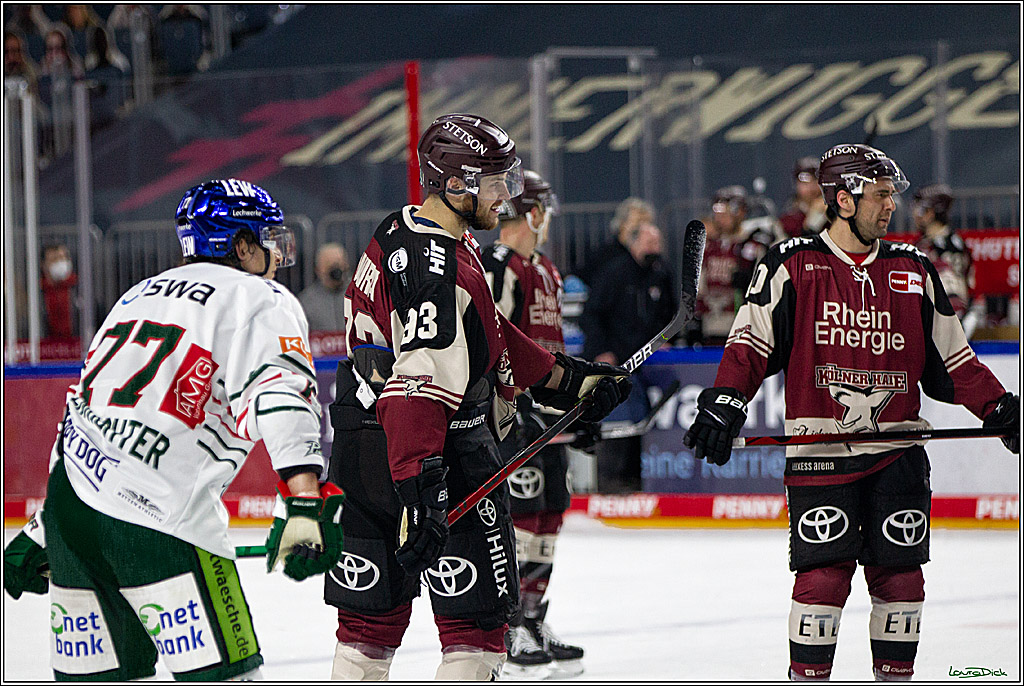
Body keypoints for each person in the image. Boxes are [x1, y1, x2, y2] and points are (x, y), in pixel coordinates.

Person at [683, 144, 1019, 682]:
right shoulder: (791, 263)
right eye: (881, 195)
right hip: (820, 454)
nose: (892, 206)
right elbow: (747, 346)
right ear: (844, 199)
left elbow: (954, 361)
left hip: (898, 455)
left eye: (892, 195)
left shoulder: (915, 268)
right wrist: (724, 402)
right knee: (822, 579)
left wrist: (1000, 406)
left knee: (902, 579)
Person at [324, 113, 631, 680]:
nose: (506, 195)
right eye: (495, 181)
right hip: (439, 459)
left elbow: (485, 332)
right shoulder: (440, 269)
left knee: (368, 627)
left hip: (365, 454)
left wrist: (564, 378)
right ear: (456, 182)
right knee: (478, 629)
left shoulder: (401, 229)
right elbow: (418, 381)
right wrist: (420, 484)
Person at [2, 179, 345, 680]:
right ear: (240, 245)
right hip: (160, 518)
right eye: (265, 238)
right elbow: (279, 394)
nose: (275, 253)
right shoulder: (259, 297)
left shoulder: (133, 296)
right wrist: (304, 499)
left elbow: (84, 408)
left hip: (73, 509)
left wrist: (45, 524)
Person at [481, 170, 585, 678]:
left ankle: (536, 618)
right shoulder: (499, 265)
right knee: (518, 521)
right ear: (536, 213)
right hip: (515, 419)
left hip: (549, 417)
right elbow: (492, 340)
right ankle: (510, 624)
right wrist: (508, 403)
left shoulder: (546, 269)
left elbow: (553, 345)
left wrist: (574, 404)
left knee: (549, 517)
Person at [581, 221, 677, 492]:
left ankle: (636, 480)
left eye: (657, 244)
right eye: (649, 243)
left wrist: (666, 339)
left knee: (643, 418)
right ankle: (611, 480)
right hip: (615, 360)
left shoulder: (662, 273)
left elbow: (672, 315)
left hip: (645, 360)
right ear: (634, 244)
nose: (654, 249)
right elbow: (591, 314)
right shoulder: (614, 273)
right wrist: (602, 351)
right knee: (619, 416)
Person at [694, 185, 775, 345]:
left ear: (741, 212)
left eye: (727, 211)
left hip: (743, 328)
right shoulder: (709, 247)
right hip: (711, 327)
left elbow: (766, 289)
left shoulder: (754, 246)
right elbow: (700, 288)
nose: (721, 217)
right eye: (718, 211)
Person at [912, 184, 978, 335]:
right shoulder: (922, 242)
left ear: (933, 212)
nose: (916, 214)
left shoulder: (950, 246)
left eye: (921, 209)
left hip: (948, 321)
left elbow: (954, 291)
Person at [574, 197, 656, 287]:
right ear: (621, 224)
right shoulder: (605, 256)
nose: (642, 231)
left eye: (647, 225)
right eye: (637, 224)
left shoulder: (653, 260)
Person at [298, 242, 350, 333]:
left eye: (338, 263)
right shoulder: (306, 301)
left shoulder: (360, 293)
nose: (335, 269)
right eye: (328, 264)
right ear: (318, 270)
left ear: (347, 265)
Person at [779, 156, 829, 238]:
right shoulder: (788, 220)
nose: (811, 187)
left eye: (816, 181)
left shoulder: (833, 215)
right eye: (805, 182)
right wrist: (812, 219)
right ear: (796, 184)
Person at [41, 242, 79, 340]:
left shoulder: (80, 289)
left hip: (76, 347)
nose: (59, 262)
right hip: (47, 349)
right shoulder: (38, 293)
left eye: (62, 258)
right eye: (54, 259)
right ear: (44, 265)